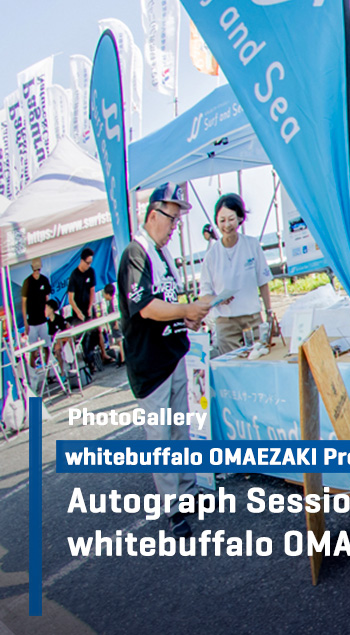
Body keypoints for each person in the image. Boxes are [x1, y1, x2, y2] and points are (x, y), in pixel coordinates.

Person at [117, 183, 214, 537]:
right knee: (160, 437)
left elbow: (167, 304)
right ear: (153, 214)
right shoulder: (136, 252)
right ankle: (172, 507)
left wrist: (187, 318)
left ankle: (187, 490)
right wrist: (186, 310)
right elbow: (145, 307)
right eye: (172, 218)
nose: (175, 226)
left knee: (180, 430)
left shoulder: (161, 254)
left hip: (172, 354)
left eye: (177, 220)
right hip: (151, 364)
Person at [205, 194, 276, 358]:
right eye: (222, 220)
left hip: (252, 319)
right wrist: (218, 299)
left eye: (231, 219)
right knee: (232, 366)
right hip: (226, 323)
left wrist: (269, 313)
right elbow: (205, 293)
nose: (227, 225)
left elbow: (263, 281)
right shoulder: (211, 255)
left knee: (260, 360)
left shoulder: (252, 245)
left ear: (239, 218)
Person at [66, 248, 102, 370]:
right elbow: (71, 299)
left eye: (90, 263)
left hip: (88, 307)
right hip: (78, 310)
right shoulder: (74, 275)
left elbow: (92, 291)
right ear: (82, 261)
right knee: (85, 335)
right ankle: (89, 361)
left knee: (95, 331)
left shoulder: (91, 272)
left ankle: (99, 354)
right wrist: (78, 312)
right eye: (87, 263)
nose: (89, 265)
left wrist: (90, 307)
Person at [22, 258, 53, 357]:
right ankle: (33, 367)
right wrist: (25, 323)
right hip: (32, 322)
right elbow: (23, 304)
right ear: (32, 268)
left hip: (43, 320)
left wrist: (49, 315)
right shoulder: (27, 282)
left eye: (38, 269)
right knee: (33, 351)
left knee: (47, 347)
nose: (36, 272)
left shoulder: (44, 280)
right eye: (35, 269)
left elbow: (47, 299)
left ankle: (47, 365)